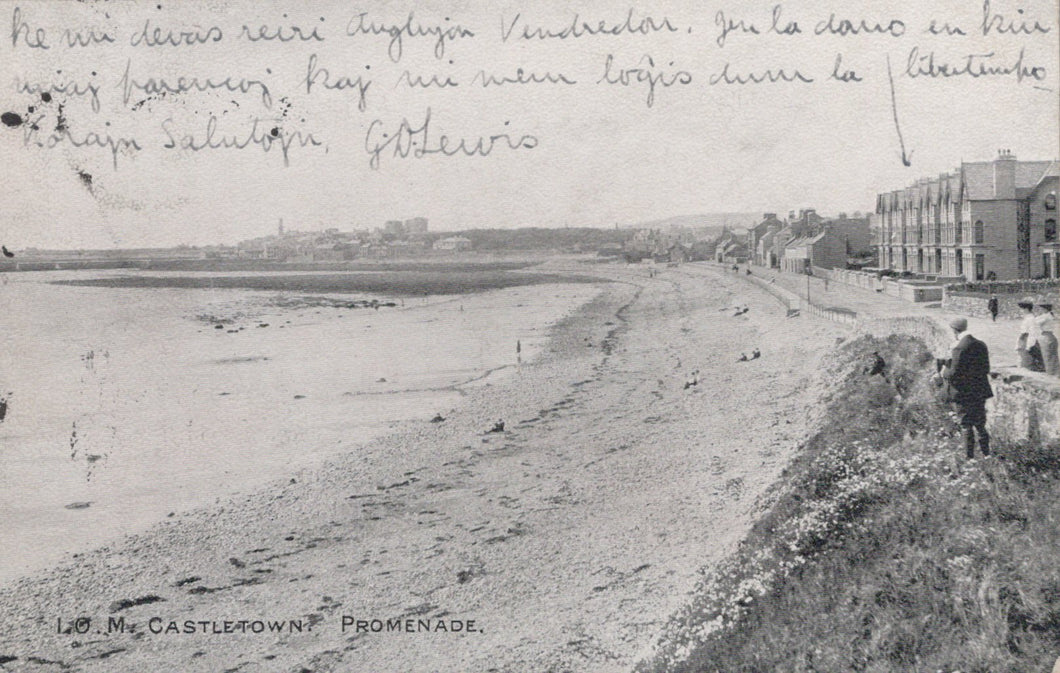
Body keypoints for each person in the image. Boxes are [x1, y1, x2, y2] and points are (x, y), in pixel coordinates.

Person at [938, 317, 992, 460]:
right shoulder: (981, 345)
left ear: (954, 330)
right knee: (980, 424)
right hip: (979, 390)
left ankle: (969, 458)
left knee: (966, 424)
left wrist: (943, 372)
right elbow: (985, 368)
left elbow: (953, 373)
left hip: (963, 393)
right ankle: (987, 454)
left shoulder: (959, 347)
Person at [1017, 297, 1045, 371]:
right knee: (1022, 360)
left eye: (1021, 309)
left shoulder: (1031, 318)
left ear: (1026, 309)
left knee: (1027, 363)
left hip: (1028, 341)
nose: (1020, 311)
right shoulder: (1027, 318)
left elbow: (1032, 333)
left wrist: (1029, 346)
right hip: (1023, 340)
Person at [1036, 298, 1059, 376]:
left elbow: (1035, 323)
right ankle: (1054, 374)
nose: (1040, 310)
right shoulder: (1047, 315)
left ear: (1045, 308)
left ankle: (1051, 374)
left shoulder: (1046, 316)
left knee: (1048, 357)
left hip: (1047, 336)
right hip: (1049, 336)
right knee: (1051, 357)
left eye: (1041, 308)